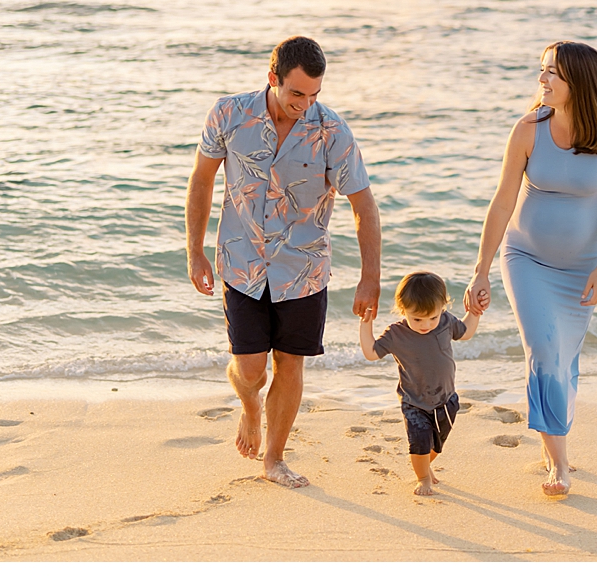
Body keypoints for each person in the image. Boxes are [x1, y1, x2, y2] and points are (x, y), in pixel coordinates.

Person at [185, 35, 382, 488]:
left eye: (314, 95)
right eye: (296, 93)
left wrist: (370, 278)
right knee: (251, 368)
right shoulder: (229, 114)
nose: (305, 104)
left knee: (291, 364)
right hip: (242, 261)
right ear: (272, 79)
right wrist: (195, 251)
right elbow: (202, 180)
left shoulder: (333, 131)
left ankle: (274, 459)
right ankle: (250, 405)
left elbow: (364, 206)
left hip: (305, 267)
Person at [464, 41, 597, 497]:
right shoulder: (527, 129)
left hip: (581, 267)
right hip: (526, 258)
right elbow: (502, 202)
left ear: (579, 81)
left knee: (563, 358)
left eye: (553, 73)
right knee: (543, 349)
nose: (542, 79)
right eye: (542, 70)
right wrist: (481, 270)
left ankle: (551, 435)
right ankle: (560, 462)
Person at [359, 271, 480, 496]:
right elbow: (371, 353)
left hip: (447, 398)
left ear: (442, 308)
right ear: (402, 309)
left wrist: (475, 312)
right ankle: (423, 477)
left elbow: (466, 332)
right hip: (414, 401)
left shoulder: (445, 322)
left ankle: (424, 464)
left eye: (432, 317)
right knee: (420, 441)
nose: (426, 325)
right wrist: (366, 324)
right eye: (417, 319)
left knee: (437, 443)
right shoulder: (396, 333)